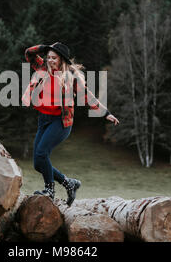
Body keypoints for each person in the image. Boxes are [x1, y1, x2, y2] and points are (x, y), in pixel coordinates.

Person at [22, 42, 119, 206]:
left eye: (54, 58)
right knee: (38, 164)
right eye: (49, 57)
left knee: (41, 153)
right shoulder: (42, 68)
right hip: (43, 119)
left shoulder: (71, 76)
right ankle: (69, 183)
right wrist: (45, 48)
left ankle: (49, 190)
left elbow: (87, 96)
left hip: (60, 122)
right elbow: (29, 53)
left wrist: (106, 113)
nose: (50, 60)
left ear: (61, 60)